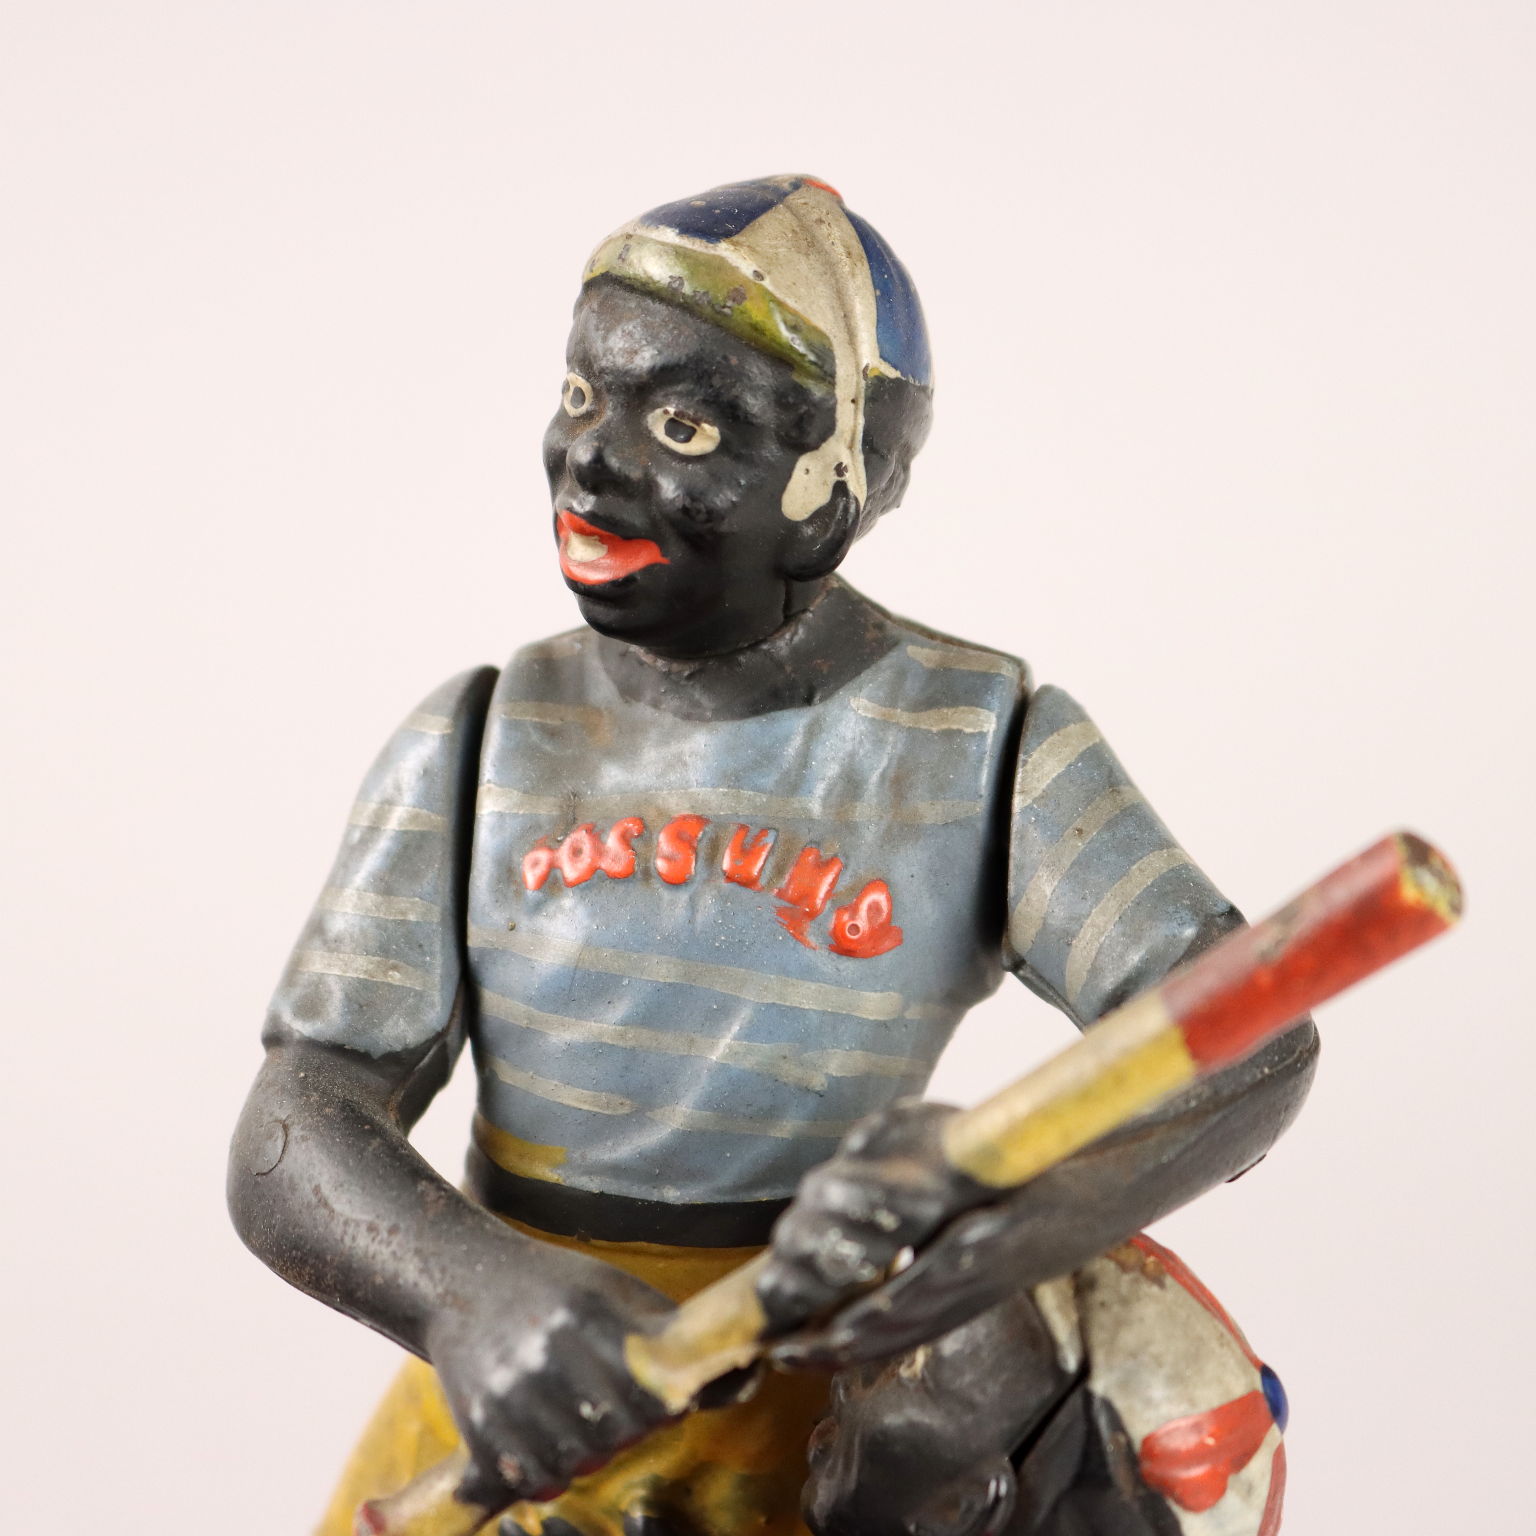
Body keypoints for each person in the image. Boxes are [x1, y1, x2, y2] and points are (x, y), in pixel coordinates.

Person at [230, 175, 1317, 1536]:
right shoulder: (480, 738)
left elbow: (1252, 1029)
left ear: (836, 487)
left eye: (683, 424)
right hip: (527, 1419)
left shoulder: (983, 744)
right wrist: (471, 1293)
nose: (591, 462)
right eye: (581, 396)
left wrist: (998, 1190)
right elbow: (296, 1119)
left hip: (824, 1446)